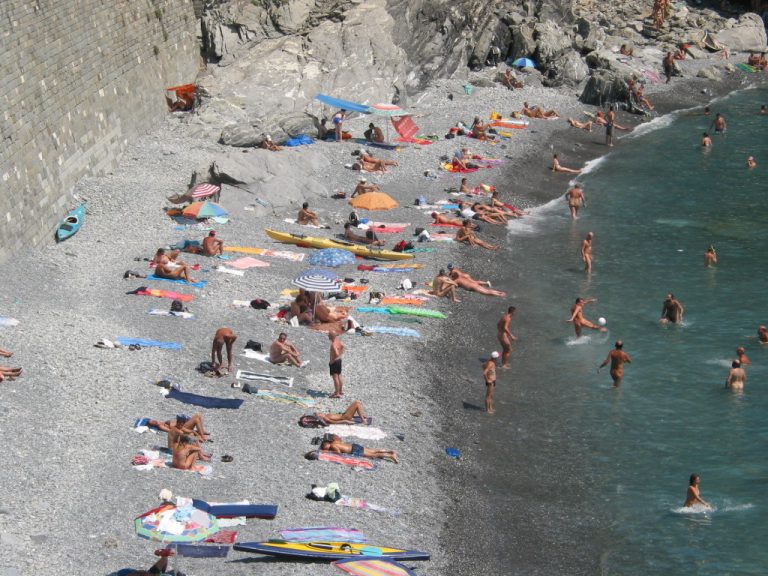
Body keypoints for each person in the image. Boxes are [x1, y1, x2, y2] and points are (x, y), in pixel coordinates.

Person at [319, 436, 399, 463]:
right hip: (354, 446)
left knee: (373, 455)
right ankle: (390, 451)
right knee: (373, 450)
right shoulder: (335, 441)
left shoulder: (333, 445)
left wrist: (328, 451)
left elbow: (338, 452)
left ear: (327, 444)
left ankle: (391, 456)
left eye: (326, 447)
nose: (327, 448)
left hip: (353, 450)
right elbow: (339, 439)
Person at [147, 413, 211, 447]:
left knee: (198, 415)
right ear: (153, 425)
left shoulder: (163, 423)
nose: (154, 421)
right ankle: (203, 436)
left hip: (182, 425)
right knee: (196, 419)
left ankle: (202, 431)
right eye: (152, 422)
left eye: (152, 420)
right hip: (182, 427)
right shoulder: (161, 426)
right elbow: (172, 430)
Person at [328, 331, 345, 398]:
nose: (328, 336)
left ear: (332, 336)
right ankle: (340, 391)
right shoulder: (338, 341)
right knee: (339, 375)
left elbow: (336, 353)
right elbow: (343, 346)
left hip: (334, 362)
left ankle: (337, 393)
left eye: (329, 335)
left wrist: (334, 358)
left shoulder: (333, 344)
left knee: (335, 378)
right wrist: (339, 355)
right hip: (339, 361)